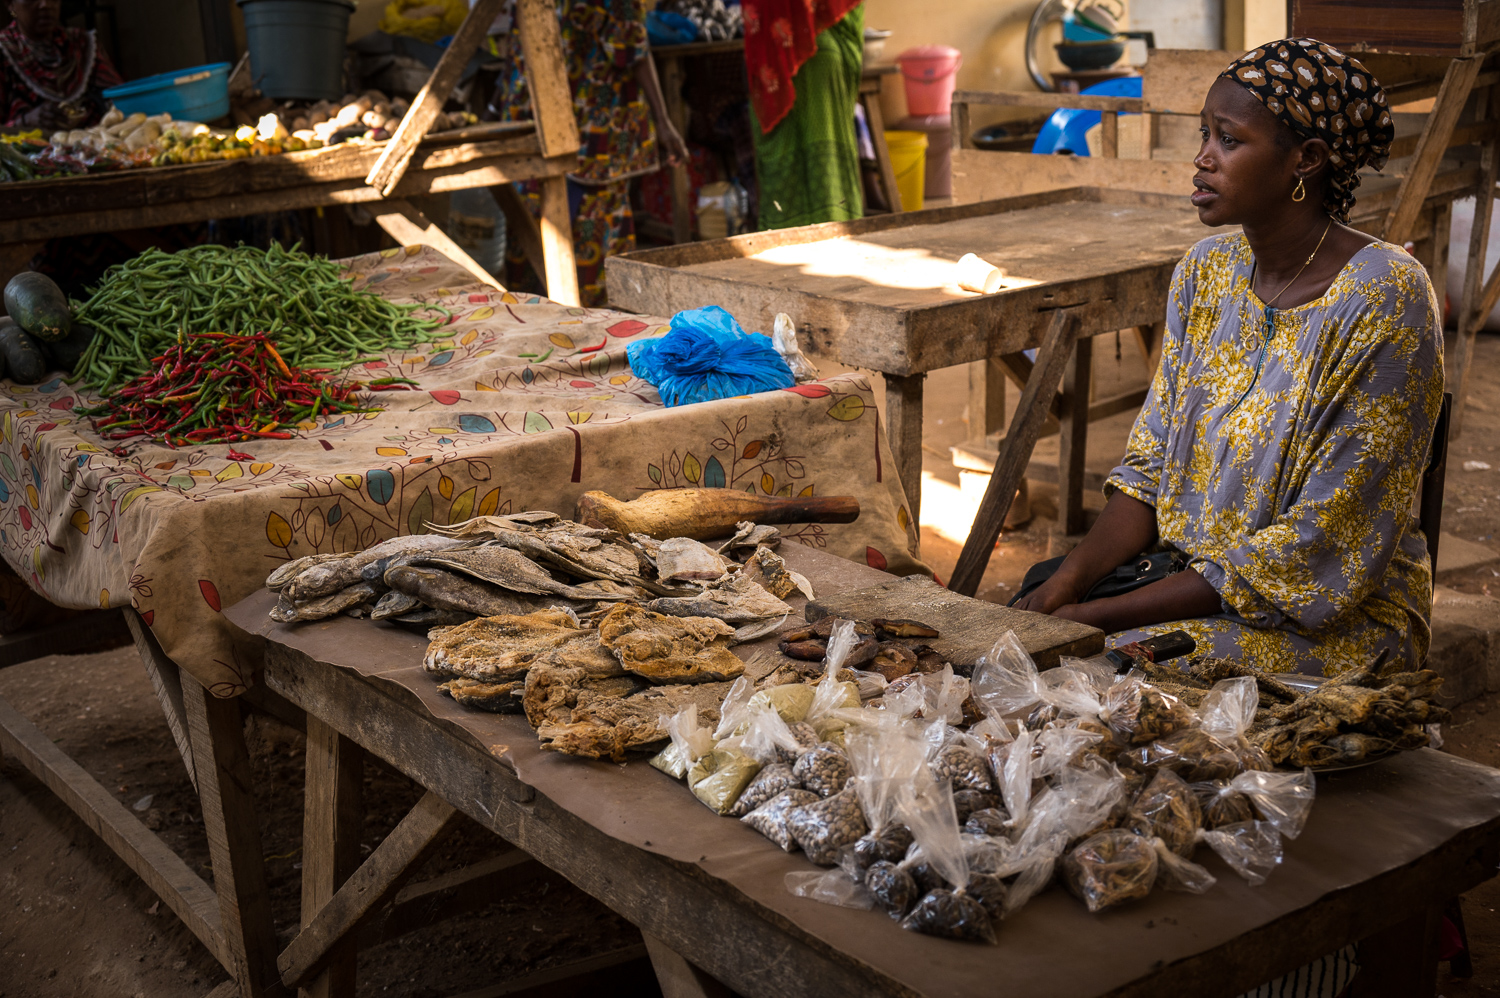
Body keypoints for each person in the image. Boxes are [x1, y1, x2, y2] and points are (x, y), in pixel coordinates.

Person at [1015, 38, 1442, 678]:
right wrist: (1068, 585)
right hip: (1187, 580)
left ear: (1308, 159)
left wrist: (1104, 616)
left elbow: (1319, 545)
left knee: (1102, 675)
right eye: (1204, 134)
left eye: (1229, 140)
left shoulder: (1386, 297)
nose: (1201, 159)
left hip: (1332, 619)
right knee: (1030, 616)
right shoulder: (1205, 274)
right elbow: (1150, 470)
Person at [490, 0, 687, 306]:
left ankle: (537, 316)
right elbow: (629, 51)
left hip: (531, 122)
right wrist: (663, 122)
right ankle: (588, 325)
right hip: (593, 130)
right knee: (589, 244)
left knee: (531, 234)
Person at [744, 0, 864, 228]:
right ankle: (837, 231)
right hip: (819, 50)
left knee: (783, 163)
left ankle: (786, 239)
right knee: (828, 166)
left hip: (773, 62)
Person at [0, 0, 120, 130]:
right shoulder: (5, 51)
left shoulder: (82, 44)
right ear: (10, 4)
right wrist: (27, 121)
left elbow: (119, 100)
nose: (45, 4)